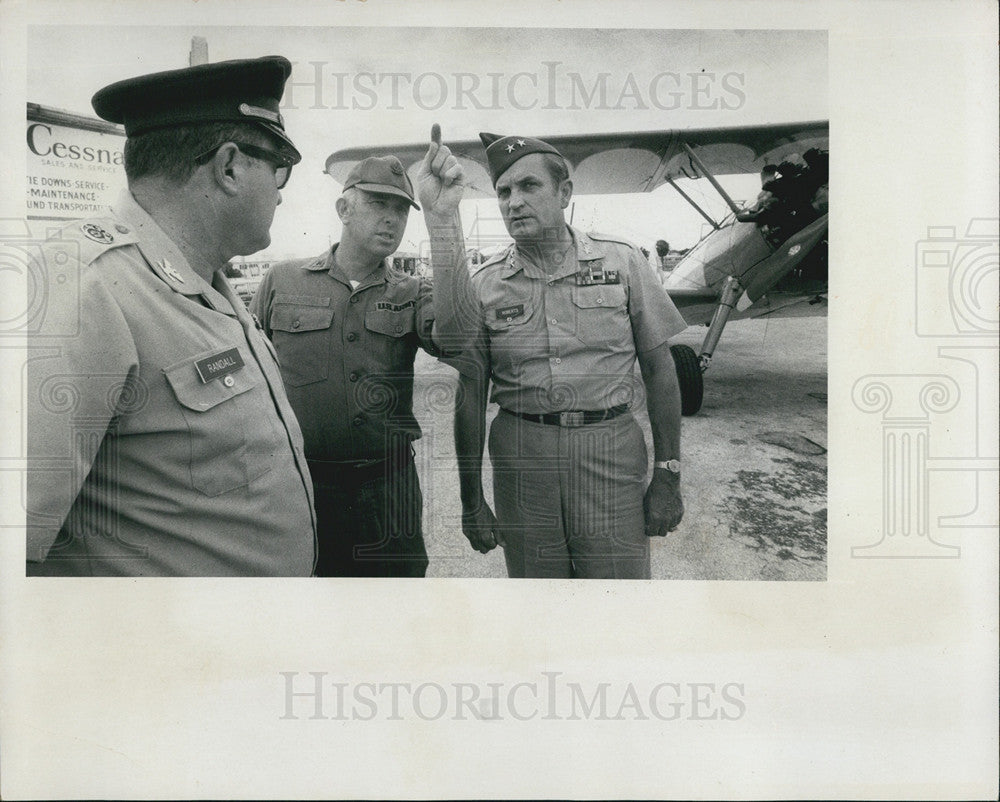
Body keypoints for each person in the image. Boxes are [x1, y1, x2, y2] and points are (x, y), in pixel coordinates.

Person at [25, 56, 316, 576]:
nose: (279, 193)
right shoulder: (81, 288)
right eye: (280, 171)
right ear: (229, 167)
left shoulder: (211, 285)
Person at [449, 133, 687, 579]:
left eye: (528, 187)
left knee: (618, 594)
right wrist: (470, 500)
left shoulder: (622, 262)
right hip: (521, 456)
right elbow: (470, 393)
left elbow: (660, 370)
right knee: (538, 594)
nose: (513, 202)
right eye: (504, 192)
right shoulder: (484, 284)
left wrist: (668, 474)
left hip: (609, 450)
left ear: (564, 193)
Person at [251, 127, 476, 577]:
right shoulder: (282, 280)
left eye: (400, 210)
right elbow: (252, 374)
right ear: (344, 208)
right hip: (301, 483)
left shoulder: (414, 291)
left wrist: (443, 220)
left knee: (395, 608)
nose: (391, 219)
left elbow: (458, 340)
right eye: (378, 204)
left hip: (386, 486)